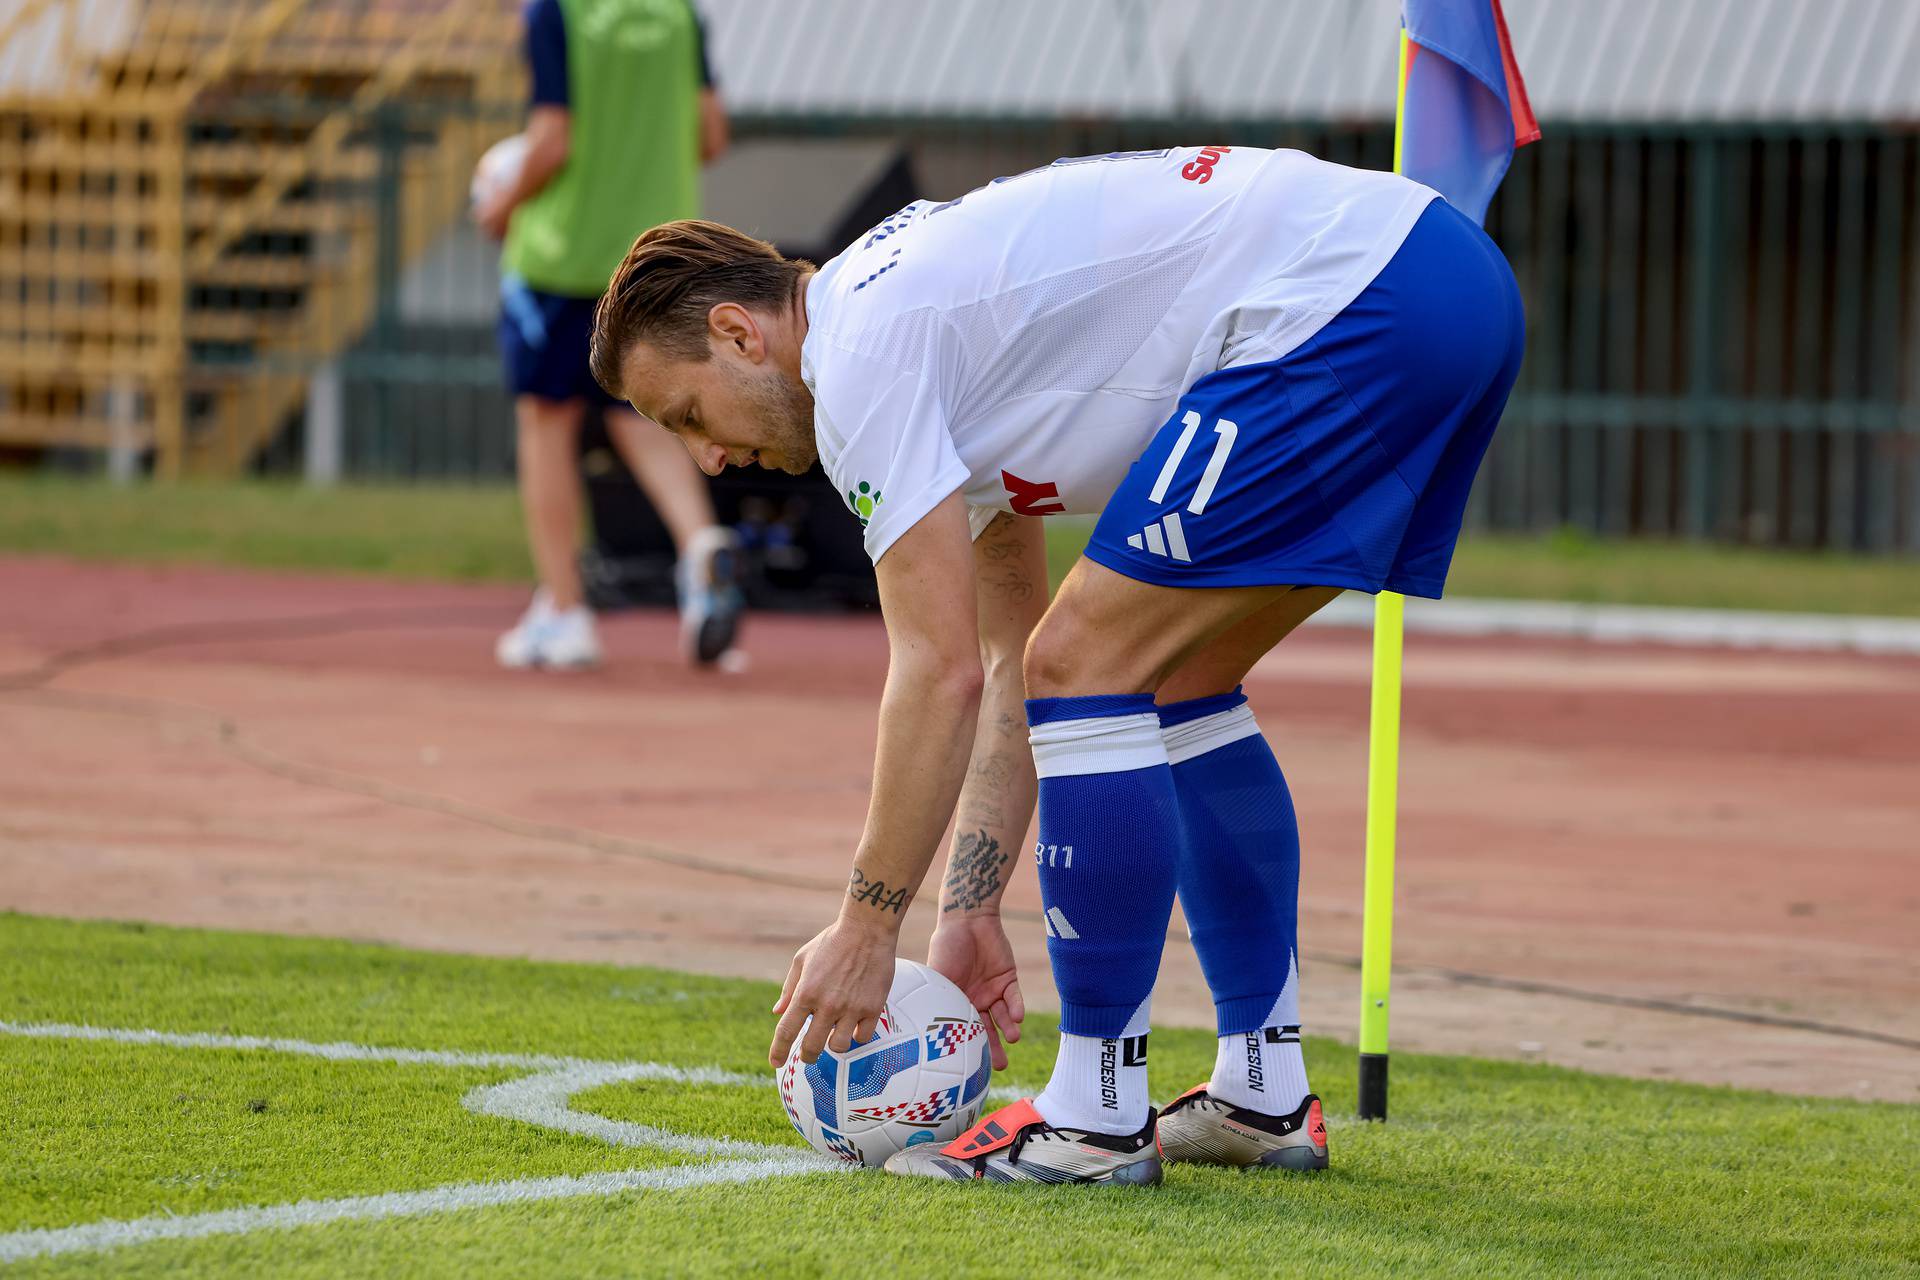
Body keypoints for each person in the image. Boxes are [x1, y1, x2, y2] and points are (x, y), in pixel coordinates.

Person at [588, 145, 1524, 1184]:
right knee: (1171, 682)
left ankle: (1094, 1116)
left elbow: (938, 671)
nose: (707, 459)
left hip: (1355, 301)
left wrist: (867, 923)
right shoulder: (913, 330)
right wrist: (969, 909)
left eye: (687, 415)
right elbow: (1004, 667)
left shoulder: (859, 356)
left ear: (737, 332)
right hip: (1442, 281)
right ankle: (1261, 1089)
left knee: (1090, 664)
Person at [475, 0, 742, 669]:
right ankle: (700, 547)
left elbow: (553, 138)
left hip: (563, 257)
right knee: (640, 416)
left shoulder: (555, 13)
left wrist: (500, 205)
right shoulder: (678, 13)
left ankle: (564, 611)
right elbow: (710, 135)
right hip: (656, 257)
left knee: (547, 420)